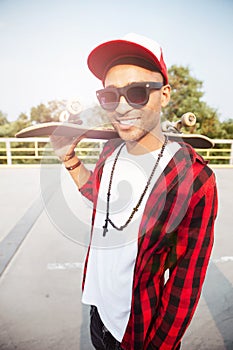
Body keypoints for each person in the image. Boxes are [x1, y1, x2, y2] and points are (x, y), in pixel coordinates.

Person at [51, 33, 218, 350]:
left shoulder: (194, 179)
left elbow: (185, 283)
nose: (123, 107)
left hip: (138, 333)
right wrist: (69, 158)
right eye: (110, 96)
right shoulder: (109, 151)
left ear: (164, 95)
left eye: (138, 92)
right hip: (97, 314)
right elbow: (101, 199)